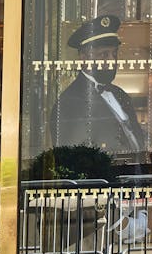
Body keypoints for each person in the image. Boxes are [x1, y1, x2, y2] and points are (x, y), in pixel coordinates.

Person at [51, 15, 146, 160]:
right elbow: (73, 159)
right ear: (84, 57)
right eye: (104, 55)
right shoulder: (69, 103)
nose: (112, 61)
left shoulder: (120, 94)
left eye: (114, 54)